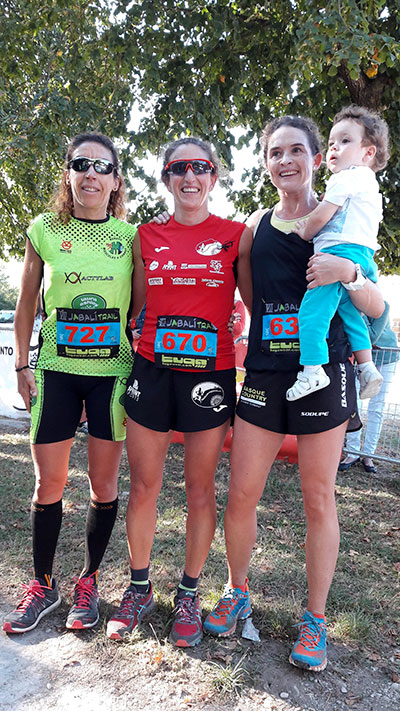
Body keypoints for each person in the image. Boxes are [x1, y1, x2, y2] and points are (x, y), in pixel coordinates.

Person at [202, 116, 384, 671]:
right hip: (264, 376)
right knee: (241, 493)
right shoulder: (256, 225)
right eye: (275, 152)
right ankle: (237, 591)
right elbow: (250, 298)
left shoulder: (345, 217)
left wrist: (349, 273)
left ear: (316, 159)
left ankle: (316, 619)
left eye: (297, 151)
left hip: (323, 375)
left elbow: (376, 309)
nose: (286, 161)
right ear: (266, 163)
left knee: (319, 498)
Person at [106, 137, 252, 647]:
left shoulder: (237, 236)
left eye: (200, 167)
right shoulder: (144, 235)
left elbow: (255, 303)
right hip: (152, 370)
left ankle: (189, 592)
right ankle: (139, 588)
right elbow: (135, 308)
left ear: (214, 176)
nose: (190, 177)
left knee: (199, 489)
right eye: (179, 168)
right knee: (143, 486)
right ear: (166, 177)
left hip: (210, 375)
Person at [3, 133, 136, 634]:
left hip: (111, 376)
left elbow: (141, 308)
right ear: (68, 174)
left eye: (102, 167)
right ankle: (43, 585)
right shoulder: (43, 229)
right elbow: (25, 304)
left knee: (103, 484)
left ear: (116, 181)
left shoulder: (130, 237)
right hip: (54, 374)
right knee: (48, 484)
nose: (91, 174)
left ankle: (89, 582)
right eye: (81, 164)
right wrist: (21, 366)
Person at [286, 105, 390, 402]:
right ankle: (367, 366)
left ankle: (312, 369)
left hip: (338, 250)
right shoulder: (368, 184)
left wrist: (305, 231)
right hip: (361, 254)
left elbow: (322, 215)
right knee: (349, 313)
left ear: (368, 152)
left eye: (345, 141)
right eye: (332, 142)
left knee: (311, 313)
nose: (334, 147)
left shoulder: (347, 177)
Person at [339, 301, 399, 474]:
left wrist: (360, 315)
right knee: (354, 405)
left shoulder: (383, 306)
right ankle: (352, 452)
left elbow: (371, 337)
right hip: (361, 360)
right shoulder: (349, 302)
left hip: (385, 359)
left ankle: (368, 454)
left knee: (376, 407)